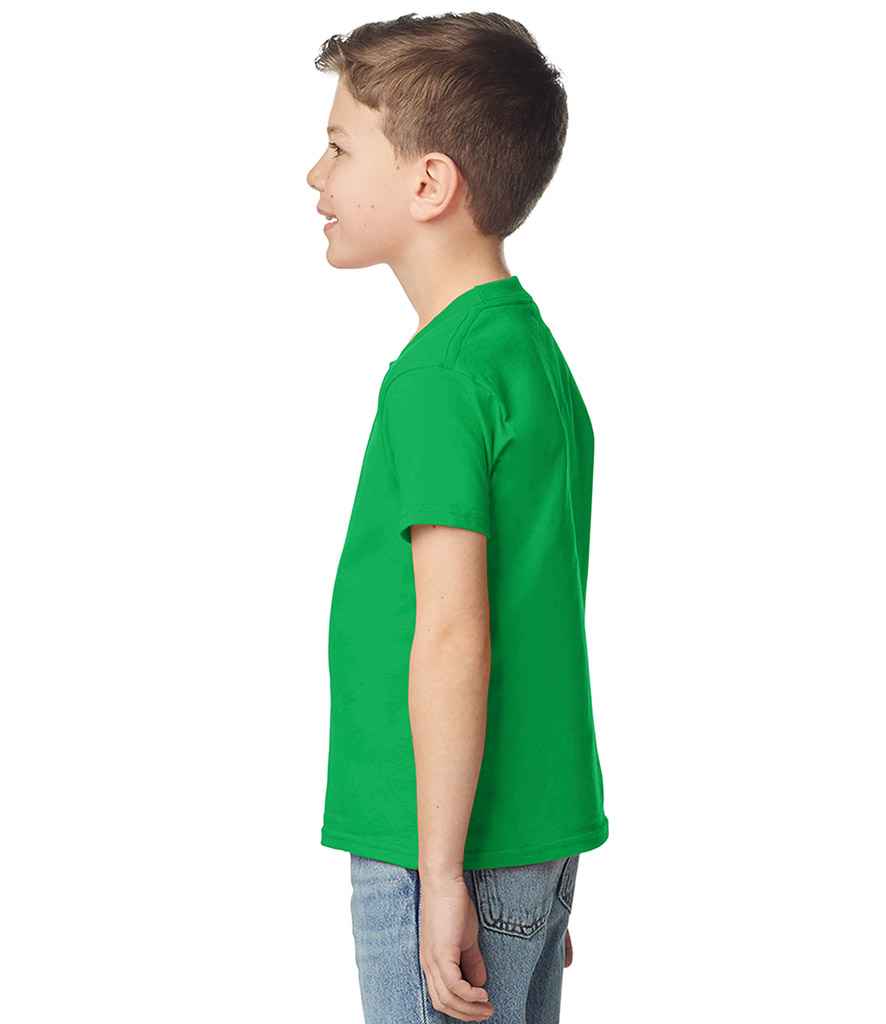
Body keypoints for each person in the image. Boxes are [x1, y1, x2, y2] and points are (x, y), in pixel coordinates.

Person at [306, 13, 609, 1023]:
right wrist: (531, 882)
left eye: (341, 147)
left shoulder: (437, 378)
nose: (315, 175)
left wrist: (441, 877)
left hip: (435, 846)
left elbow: (452, 633)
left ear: (430, 183)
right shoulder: (528, 354)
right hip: (526, 838)